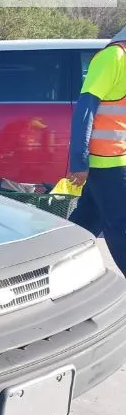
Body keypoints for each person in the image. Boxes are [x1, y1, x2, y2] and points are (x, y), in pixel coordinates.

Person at [67, 26, 126, 275]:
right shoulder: (112, 57)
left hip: (116, 160)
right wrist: (78, 160)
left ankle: (50, 269)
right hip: (108, 163)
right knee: (119, 226)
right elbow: (85, 109)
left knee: (84, 224)